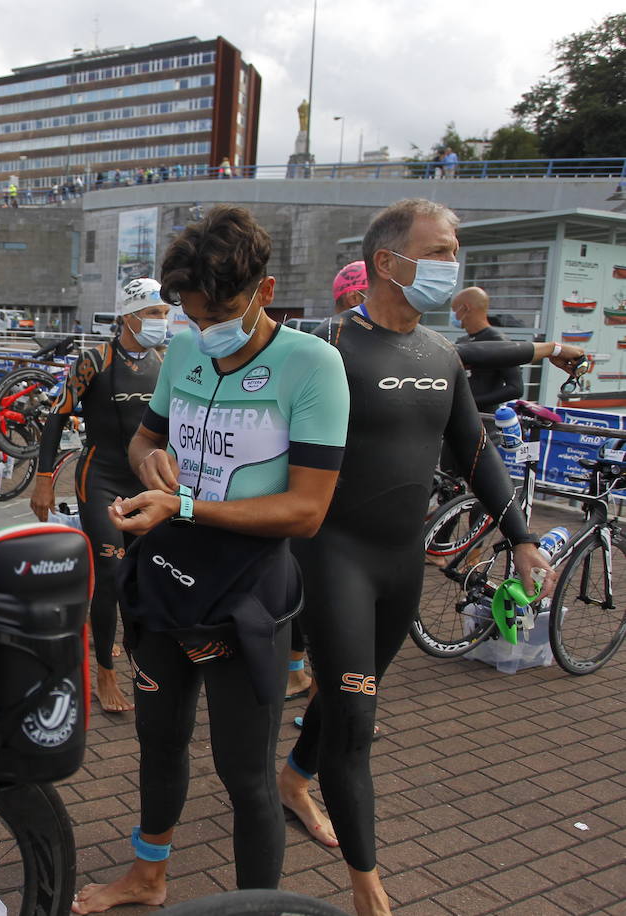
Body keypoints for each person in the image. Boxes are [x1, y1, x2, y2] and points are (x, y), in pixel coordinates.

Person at [279, 199, 554, 916]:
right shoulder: (330, 353)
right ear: (387, 262)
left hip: (400, 569)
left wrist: (521, 536)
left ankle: (295, 776)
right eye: (437, 251)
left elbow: (474, 451)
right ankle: (369, 886)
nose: (449, 264)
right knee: (358, 721)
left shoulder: (441, 356)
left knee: (343, 701)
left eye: (452, 251)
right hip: (332, 556)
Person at [70, 206, 349, 914]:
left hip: (249, 591)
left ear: (266, 288)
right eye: (192, 315)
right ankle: (148, 875)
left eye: (218, 311)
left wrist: (187, 507)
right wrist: (150, 461)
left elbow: (308, 510)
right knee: (158, 741)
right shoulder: (188, 350)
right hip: (167, 578)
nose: (203, 328)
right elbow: (142, 443)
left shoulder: (313, 365)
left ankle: (260, 906)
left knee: (245, 774)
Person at [30, 277, 169, 714]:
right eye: (153, 313)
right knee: (110, 572)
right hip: (102, 477)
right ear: (128, 315)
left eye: (166, 314)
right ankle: (104, 672)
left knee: (147, 575)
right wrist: (44, 476)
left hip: (145, 482)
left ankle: (137, 654)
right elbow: (57, 417)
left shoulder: (164, 361)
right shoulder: (94, 360)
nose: (162, 322)